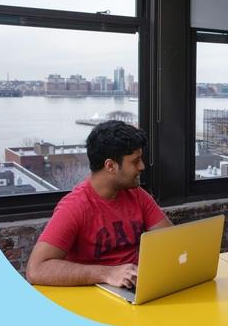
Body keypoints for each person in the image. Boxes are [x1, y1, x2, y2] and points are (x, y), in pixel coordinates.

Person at [26, 120, 172, 288]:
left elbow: (171, 241)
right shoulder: (74, 207)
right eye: (135, 161)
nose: (142, 166)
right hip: (93, 296)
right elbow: (36, 270)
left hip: (133, 290)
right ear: (110, 166)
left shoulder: (136, 194)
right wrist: (108, 273)